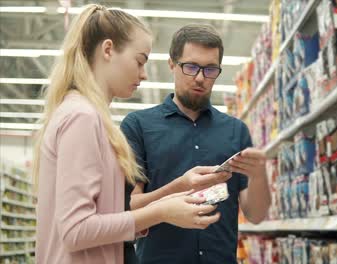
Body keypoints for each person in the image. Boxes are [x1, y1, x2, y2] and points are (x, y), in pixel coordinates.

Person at [33, 5, 225, 264]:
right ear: (108, 50)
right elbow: (75, 231)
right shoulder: (82, 117)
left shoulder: (90, 117)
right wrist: (160, 213)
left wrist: (174, 196)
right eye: (140, 61)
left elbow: (101, 218)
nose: (144, 74)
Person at [120, 24, 272, 264]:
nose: (200, 78)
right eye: (191, 67)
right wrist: (178, 187)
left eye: (210, 69)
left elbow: (256, 215)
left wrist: (260, 175)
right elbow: (128, 207)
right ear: (172, 64)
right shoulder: (138, 126)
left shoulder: (236, 131)